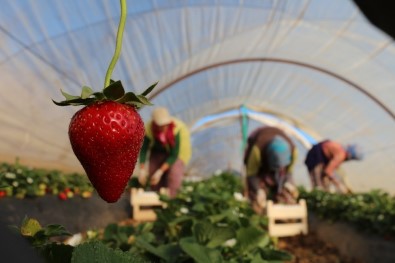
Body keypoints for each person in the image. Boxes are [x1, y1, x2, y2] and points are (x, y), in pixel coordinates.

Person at [138, 107, 191, 197]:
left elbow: (174, 155)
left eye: (165, 125)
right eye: (160, 125)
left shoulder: (177, 129)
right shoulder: (149, 128)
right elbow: (144, 149)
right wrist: (142, 168)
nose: (163, 127)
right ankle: (156, 200)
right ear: (154, 123)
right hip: (158, 151)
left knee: (174, 176)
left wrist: (160, 171)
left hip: (176, 154)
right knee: (153, 175)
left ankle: (172, 201)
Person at [243, 126, 299, 214]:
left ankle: (281, 213)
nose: (280, 169)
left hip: (277, 168)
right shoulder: (257, 150)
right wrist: (258, 190)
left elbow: (289, 172)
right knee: (257, 198)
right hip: (260, 168)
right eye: (277, 166)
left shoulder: (293, 150)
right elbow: (251, 174)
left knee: (285, 191)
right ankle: (260, 215)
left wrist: (289, 183)